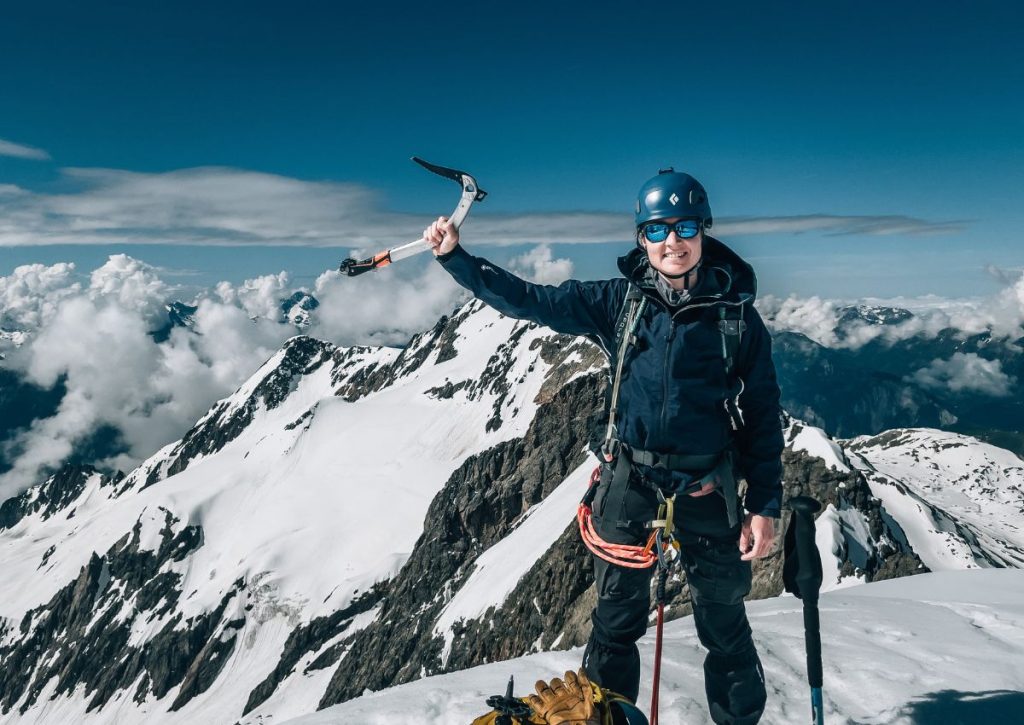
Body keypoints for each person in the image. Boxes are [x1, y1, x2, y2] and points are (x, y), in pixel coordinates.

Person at [426, 168, 783, 724]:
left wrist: (764, 504)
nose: (673, 241)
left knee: (724, 624)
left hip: (705, 484)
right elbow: (530, 300)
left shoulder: (736, 317)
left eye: (685, 226)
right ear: (642, 237)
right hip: (630, 481)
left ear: (704, 230)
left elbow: (761, 412)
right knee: (615, 624)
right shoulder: (619, 302)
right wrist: (457, 259)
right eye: (658, 229)